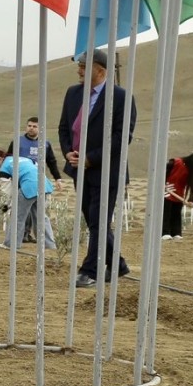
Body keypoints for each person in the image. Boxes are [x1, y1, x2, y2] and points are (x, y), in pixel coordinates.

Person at [58, 50, 136, 288]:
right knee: (92, 219)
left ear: (100, 69)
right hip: (78, 169)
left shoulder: (121, 97)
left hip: (106, 170)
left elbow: (122, 136)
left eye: (83, 66)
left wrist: (91, 158)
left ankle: (90, 270)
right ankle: (118, 264)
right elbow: (64, 128)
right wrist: (68, 152)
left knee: (97, 220)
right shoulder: (73, 93)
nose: (79, 70)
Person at [5, 117, 61, 241]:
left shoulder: (45, 144)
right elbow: (8, 159)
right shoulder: (17, 142)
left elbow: (51, 162)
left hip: (38, 181)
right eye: (29, 125)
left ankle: (32, 235)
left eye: (34, 126)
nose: (31, 128)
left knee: (36, 210)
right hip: (21, 180)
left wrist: (57, 178)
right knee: (20, 209)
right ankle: (22, 235)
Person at [0, 154, 56, 250]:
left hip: (29, 187)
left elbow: (6, 191)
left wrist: (4, 206)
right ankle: (49, 245)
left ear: (0, 159)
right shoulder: (25, 159)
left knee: (17, 216)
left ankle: (11, 244)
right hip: (44, 184)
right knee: (41, 216)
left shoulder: (4, 168)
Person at [163, 152, 193, 240]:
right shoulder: (176, 162)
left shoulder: (192, 171)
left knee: (176, 213)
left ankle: (176, 233)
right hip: (167, 190)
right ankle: (165, 232)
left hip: (179, 194)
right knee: (166, 212)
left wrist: (191, 200)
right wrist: (163, 184)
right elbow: (162, 172)